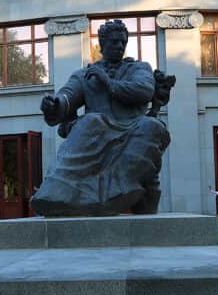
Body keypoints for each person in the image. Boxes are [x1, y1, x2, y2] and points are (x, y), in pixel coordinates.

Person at [30, 19, 171, 216]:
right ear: (102, 44)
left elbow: (144, 90)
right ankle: (57, 192)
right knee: (90, 121)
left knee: (152, 126)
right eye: (115, 42)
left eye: (123, 42)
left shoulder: (138, 68)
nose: (120, 46)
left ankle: (127, 191)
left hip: (134, 127)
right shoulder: (85, 74)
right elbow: (68, 95)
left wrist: (108, 82)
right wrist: (56, 104)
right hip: (97, 131)